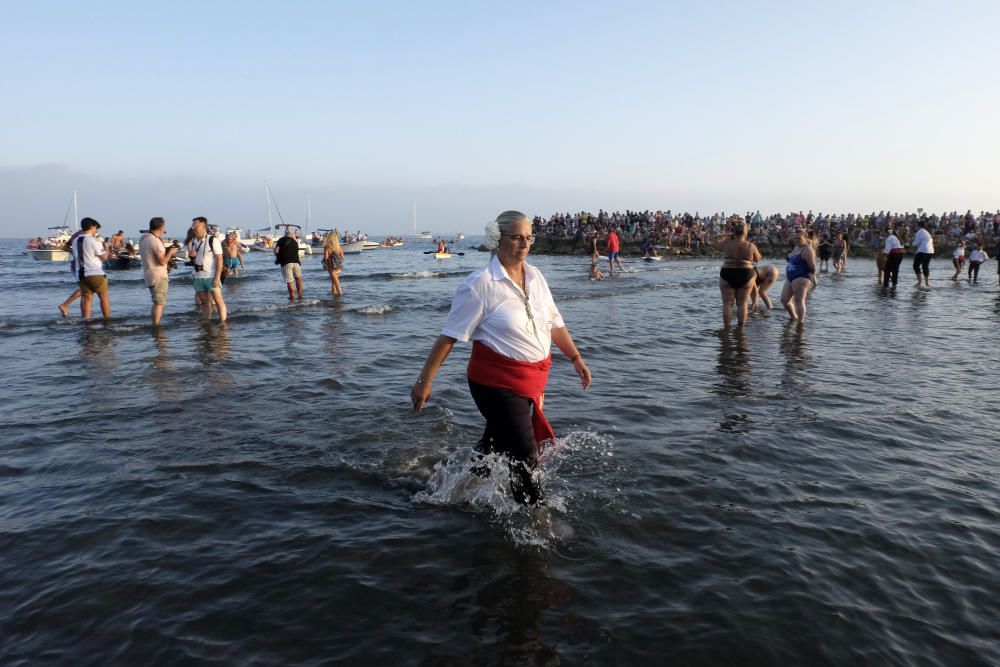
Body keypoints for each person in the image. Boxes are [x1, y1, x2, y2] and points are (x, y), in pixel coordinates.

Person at [410, 210, 592, 505]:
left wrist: (576, 358)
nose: (524, 243)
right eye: (517, 237)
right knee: (524, 455)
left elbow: (554, 323)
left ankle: (449, 487)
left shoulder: (536, 276)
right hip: (495, 384)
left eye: (529, 237)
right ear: (498, 238)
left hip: (530, 381)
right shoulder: (480, 283)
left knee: (493, 447)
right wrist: (424, 381)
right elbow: (449, 337)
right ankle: (534, 519)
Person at [715, 218, 762, 328]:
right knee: (742, 304)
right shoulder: (750, 246)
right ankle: (740, 330)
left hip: (728, 272)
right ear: (745, 232)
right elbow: (758, 259)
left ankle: (726, 329)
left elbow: (714, 243)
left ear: (734, 232)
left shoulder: (727, 243)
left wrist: (726, 235)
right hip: (745, 273)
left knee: (727, 304)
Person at [139, 217, 181, 325]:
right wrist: (171, 252)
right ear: (161, 228)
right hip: (158, 276)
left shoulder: (144, 238)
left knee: (156, 302)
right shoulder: (155, 241)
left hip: (149, 274)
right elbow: (162, 261)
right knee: (159, 303)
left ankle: (155, 325)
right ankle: (156, 326)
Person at [74, 217, 112, 319]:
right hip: (95, 273)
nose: (96, 230)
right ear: (91, 227)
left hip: (81, 275)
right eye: (95, 228)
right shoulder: (93, 240)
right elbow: (104, 257)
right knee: (103, 297)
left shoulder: (75, 240)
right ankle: (107, 320)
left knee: (87, 299)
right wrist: (107, 248)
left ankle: (86, 322)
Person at [190, 217, 227, 322]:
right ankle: (207, 322)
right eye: (192, 226)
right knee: (204, 302)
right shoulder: (194, 241)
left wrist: (217, 277)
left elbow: (219, 260)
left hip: (211, 276)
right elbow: (194, 259)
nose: (193, 228)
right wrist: (192, 256)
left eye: (195, 226)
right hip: (198, 276)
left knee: (218, 300)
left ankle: (223, 323)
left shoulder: (213, 240)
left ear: (203, 227)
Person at [780, 229, 817, 322]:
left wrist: (811, 279)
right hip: (790, 277)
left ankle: (801, 323)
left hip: (802, 277)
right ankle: (793, 317)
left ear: (805, 237)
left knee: (799, 300)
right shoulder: (796, 247)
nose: (796, 239)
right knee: (784, 300)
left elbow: (812, 266)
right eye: (795, 238)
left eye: (799, 238)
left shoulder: (807, 249)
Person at [58, 228, 84, 317]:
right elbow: (64, 247)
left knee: (86, 293)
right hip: (80, 266)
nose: (97, 231)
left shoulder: (78, 234)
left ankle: (85, 316)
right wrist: (76, 252)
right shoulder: (80, 235)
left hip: (80, 266)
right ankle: (65, 305)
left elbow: (65, 246)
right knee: (85, 290)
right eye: (96, 228)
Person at [274, 227, 303, 301]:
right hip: (296, 263)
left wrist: (277, 257)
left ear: (285, 234)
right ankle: (300, 296)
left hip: (286, 263)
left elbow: (276, 251)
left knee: (290, 281)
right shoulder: (295, 242)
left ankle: (292, 298)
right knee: (298, 278)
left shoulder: (281, 240)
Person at [912, 220, 934, 288]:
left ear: (919, 225)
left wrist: (911, 243)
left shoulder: (919, 232)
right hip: (930, 251)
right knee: (925, 266)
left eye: (916, 225)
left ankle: (919, 282)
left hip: (923, 250)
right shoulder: (927, 232)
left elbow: (916, 243)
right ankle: (927, 283)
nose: (916, 227)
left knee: (916, 266)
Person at [322, 230, 345, 296]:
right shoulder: (339, 247)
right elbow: (342, 257)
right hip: (338, 267)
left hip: (331, 267)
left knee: (336, 282)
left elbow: (326, 258)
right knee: (333, 282)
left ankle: (340, 294)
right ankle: (334, 294)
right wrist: (337, 260)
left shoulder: (327, 247)